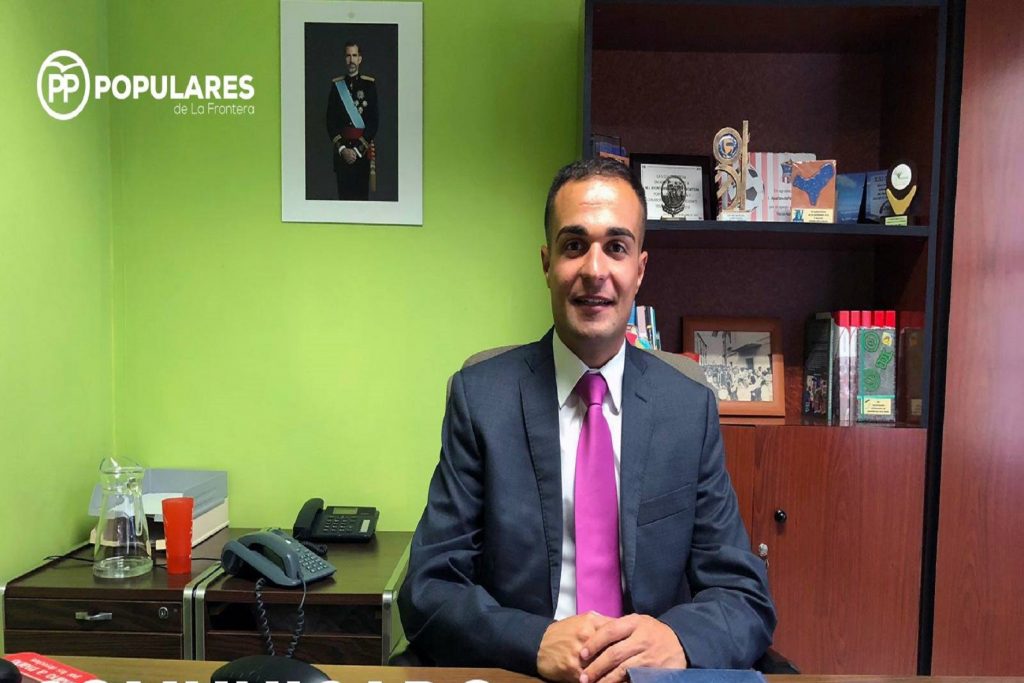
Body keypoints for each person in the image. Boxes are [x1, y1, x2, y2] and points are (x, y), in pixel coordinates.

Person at [397, 158, 775, 682]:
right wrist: (533, 640)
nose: (595, 270)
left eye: (616, 247)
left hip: (647, 677)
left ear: (639, 269)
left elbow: (743, 595)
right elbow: (429, 588)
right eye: (575, 245)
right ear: (546, 263)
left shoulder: (687, 409)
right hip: (525, 673)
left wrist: (677, 640)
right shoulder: (482, 400)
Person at [326, 41, 378, 201]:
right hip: (342, 155)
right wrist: (342, 149)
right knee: (343, 201)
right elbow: (330, 121)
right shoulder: (337, 86)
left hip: (361, 154)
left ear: (360, 59)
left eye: (354, 55)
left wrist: (357, 150)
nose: (351, 60)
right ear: (345, 59)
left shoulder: (369, 86)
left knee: (361, 202)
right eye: (348, 56)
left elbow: (374, 122)